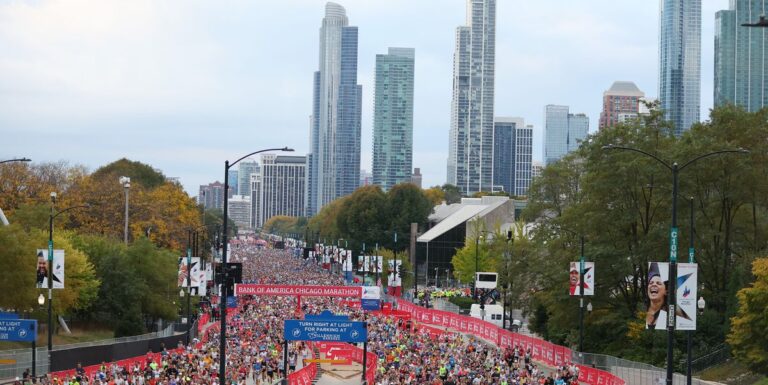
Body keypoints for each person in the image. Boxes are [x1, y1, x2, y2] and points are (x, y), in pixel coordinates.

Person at [646, 262, 668, 329]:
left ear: (666, 291)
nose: (654, 284)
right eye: (651, 283)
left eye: (658, 283)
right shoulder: (642, 309)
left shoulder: (668, 313)